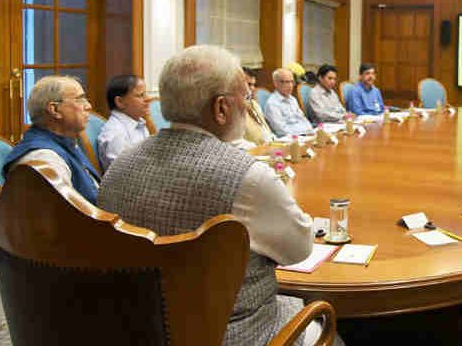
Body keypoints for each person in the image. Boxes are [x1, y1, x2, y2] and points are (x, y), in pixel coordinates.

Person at [97, 46, 330, 346]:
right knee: (330, 330)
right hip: (231, 334)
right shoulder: (249, 176)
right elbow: (299, 249)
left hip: (135, 330)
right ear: (221, 108)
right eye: (245, 98)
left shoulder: (118, 167)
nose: (247, 108)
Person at [2, 76, 100, 204]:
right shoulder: (44, 158)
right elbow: (62, 215)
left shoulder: (67, 142)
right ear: (54, 109)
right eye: (79, 99)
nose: (88, 106)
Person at [97, 75, 151, 170]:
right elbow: (121, 174)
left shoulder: (139, 123)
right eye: (140, 95)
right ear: (120, 102)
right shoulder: (115, 133)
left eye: (145, 94)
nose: (148, 99)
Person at [263, 68, 314, 137]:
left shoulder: (292, 99)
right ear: (276, 83)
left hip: (303, 135)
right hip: (288, 140)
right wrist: (304, 132)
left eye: (292, 82)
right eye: (286, 82)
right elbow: (282, 131)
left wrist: (309, 130)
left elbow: (303, 119)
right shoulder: (272, 103)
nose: (290, 86)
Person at [242, 67, 274, 145]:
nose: (252, 88)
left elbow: (265, 129)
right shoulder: (232, 108)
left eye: (254, 85)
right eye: (249, 84)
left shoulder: (254, 104)